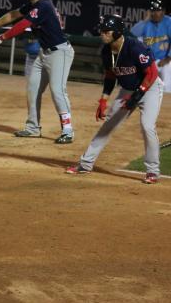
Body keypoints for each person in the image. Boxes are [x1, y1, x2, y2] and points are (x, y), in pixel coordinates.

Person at [65, 15, 164, 184]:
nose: (102, 34)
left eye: (106, 31)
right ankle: (85, 164)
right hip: (127, 90)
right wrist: (104, 99)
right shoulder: (106, 51)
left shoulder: (134, 46)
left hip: (150, 88)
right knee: (109, 125)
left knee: (147, 126)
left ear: (117, 32)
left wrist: (138, 95)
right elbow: (111, 75)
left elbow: (152, 72)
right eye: (101, 31)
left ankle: (152, 171)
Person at [0, 0, 76, 144]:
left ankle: (68, 130)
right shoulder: (33, 5)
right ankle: (33, 127)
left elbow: (23, 24)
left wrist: (1, 37)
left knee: (58, 91)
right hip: (44, 53)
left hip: (60, 53)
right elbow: (14, 15)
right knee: (33, 88)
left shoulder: (44, 5)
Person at [130, 0, 171, 93]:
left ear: (163, 11)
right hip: (148, 61)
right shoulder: (147, 23)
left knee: (169, 69)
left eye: (158, 10)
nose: (155, 13)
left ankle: (167, 99)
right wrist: (145, 20)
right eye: (153, 10)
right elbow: (133, 33)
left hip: (164, 60)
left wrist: (168, 58)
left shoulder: (169, 22)